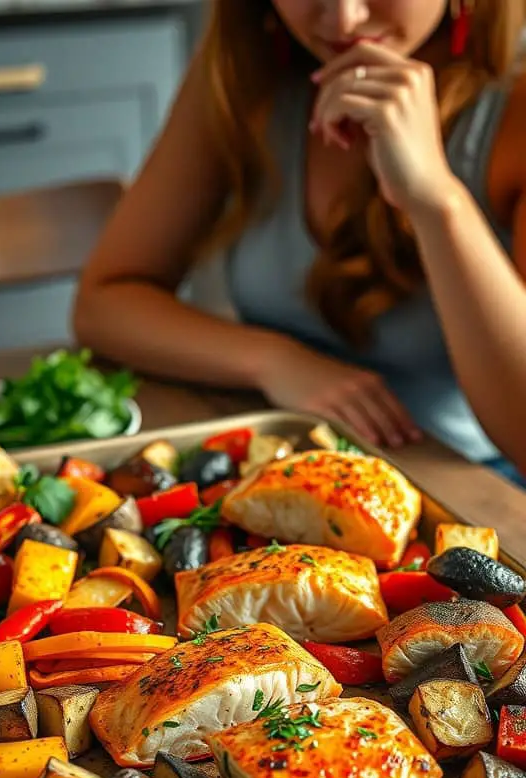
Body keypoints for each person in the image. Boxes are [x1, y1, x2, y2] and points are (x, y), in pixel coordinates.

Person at [74, 0, 526, 482]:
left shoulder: (514, 109)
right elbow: (104, 303)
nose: (343, 19)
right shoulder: (243, 75)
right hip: (276, 466)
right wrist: (275, 361)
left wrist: (435, 199)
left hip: (467, 487)